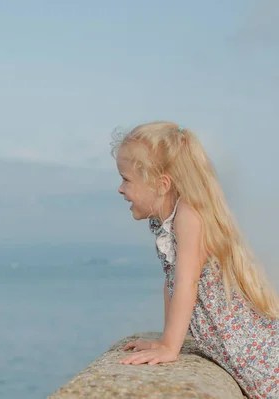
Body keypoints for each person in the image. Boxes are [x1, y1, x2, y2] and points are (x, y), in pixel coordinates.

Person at [111, 121, 279, 398]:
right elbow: (173, 282)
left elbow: (187, 282)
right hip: (237, 355)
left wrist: (171, 348)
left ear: (161, 184)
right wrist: (167, 339)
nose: (120, 188)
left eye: (126, 179)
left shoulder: (189, 216)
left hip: (259, 357)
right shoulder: (164, 223)